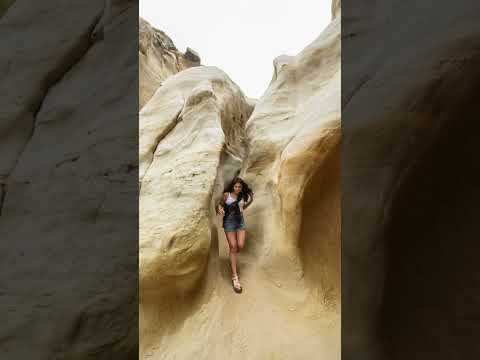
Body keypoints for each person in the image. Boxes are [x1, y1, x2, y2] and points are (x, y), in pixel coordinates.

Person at [216, 176, 254, 293]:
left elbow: (243, 208)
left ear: (242, 188)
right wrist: (220, 209)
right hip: (229, 222)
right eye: (236, 186)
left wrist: (251, 201)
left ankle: (232, 257)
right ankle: (235, 277)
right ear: (233, 186)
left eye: (239, 187)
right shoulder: (227, 195)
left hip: (240, 222)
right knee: (233, 247)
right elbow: (219, 205)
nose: (237, 188)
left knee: (240, 246)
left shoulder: (242, 196)